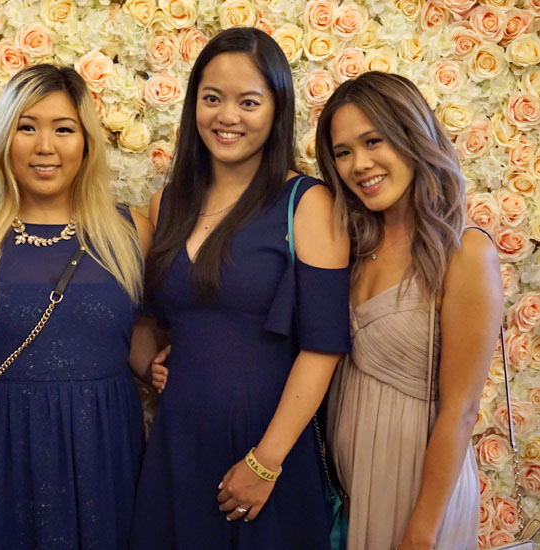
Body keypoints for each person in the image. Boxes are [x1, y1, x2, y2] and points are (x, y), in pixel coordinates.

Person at [129, 27, 351, 549]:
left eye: (248, 102)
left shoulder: (307, 203)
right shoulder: (167, 205)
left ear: (276, 110)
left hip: (267, 445)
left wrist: (265, 463)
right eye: (212, 99)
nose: (227, 116)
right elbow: (146, 318)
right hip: (178, 440)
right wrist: (149, 365)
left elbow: (324, 347)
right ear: (193, 105)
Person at [0, 64, 154, 550]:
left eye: (63, 129)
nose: (44, 146)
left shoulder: (129, 230)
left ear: (87, 142)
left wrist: (165, 368)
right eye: (26, 127)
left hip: (103, 438)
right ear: (3, 138)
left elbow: (133, 331)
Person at [315, 71, 502, 550]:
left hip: (418, 494)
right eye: (343, 152)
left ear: (412, 135)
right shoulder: (349, 247)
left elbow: (459, 412)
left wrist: (421, 531)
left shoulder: (465, 253)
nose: (359, 164)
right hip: (346, 489)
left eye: (373, 141)